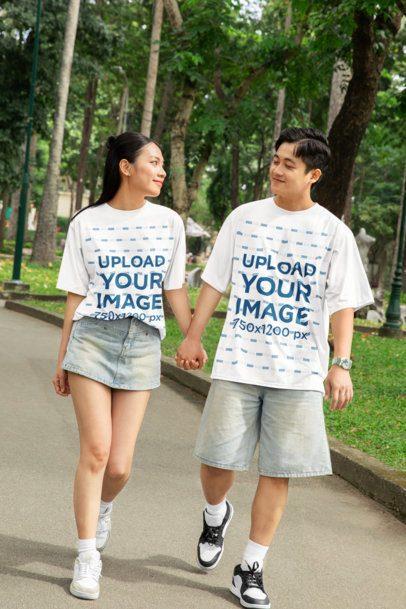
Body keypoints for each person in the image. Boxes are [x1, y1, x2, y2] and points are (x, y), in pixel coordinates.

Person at [176, 127, 374, 609]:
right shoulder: (244, 218)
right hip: (240, 363)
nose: (277, 169)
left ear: (313, 175)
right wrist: (194, 334)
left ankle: (251, 566)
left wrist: (340, 364)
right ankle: (216, 513)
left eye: (289, 163)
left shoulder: (333, 233)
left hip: (300, 373)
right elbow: (215, 283)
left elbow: (342, 304)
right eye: (276, 159)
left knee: (278, 470)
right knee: (217, 461)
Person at [53, 132, 202, 600]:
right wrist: (62, 359)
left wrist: (191, 335)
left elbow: (174, 288)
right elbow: (76, 296)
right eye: (153, 163)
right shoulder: (86, 222)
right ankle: (86, 557)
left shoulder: (169, 223)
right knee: (96, 452)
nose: (161, 171)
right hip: (92, 339)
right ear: (125, 167)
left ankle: (103, 508)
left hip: (142, 342)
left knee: (118, 467)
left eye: (162, 164)